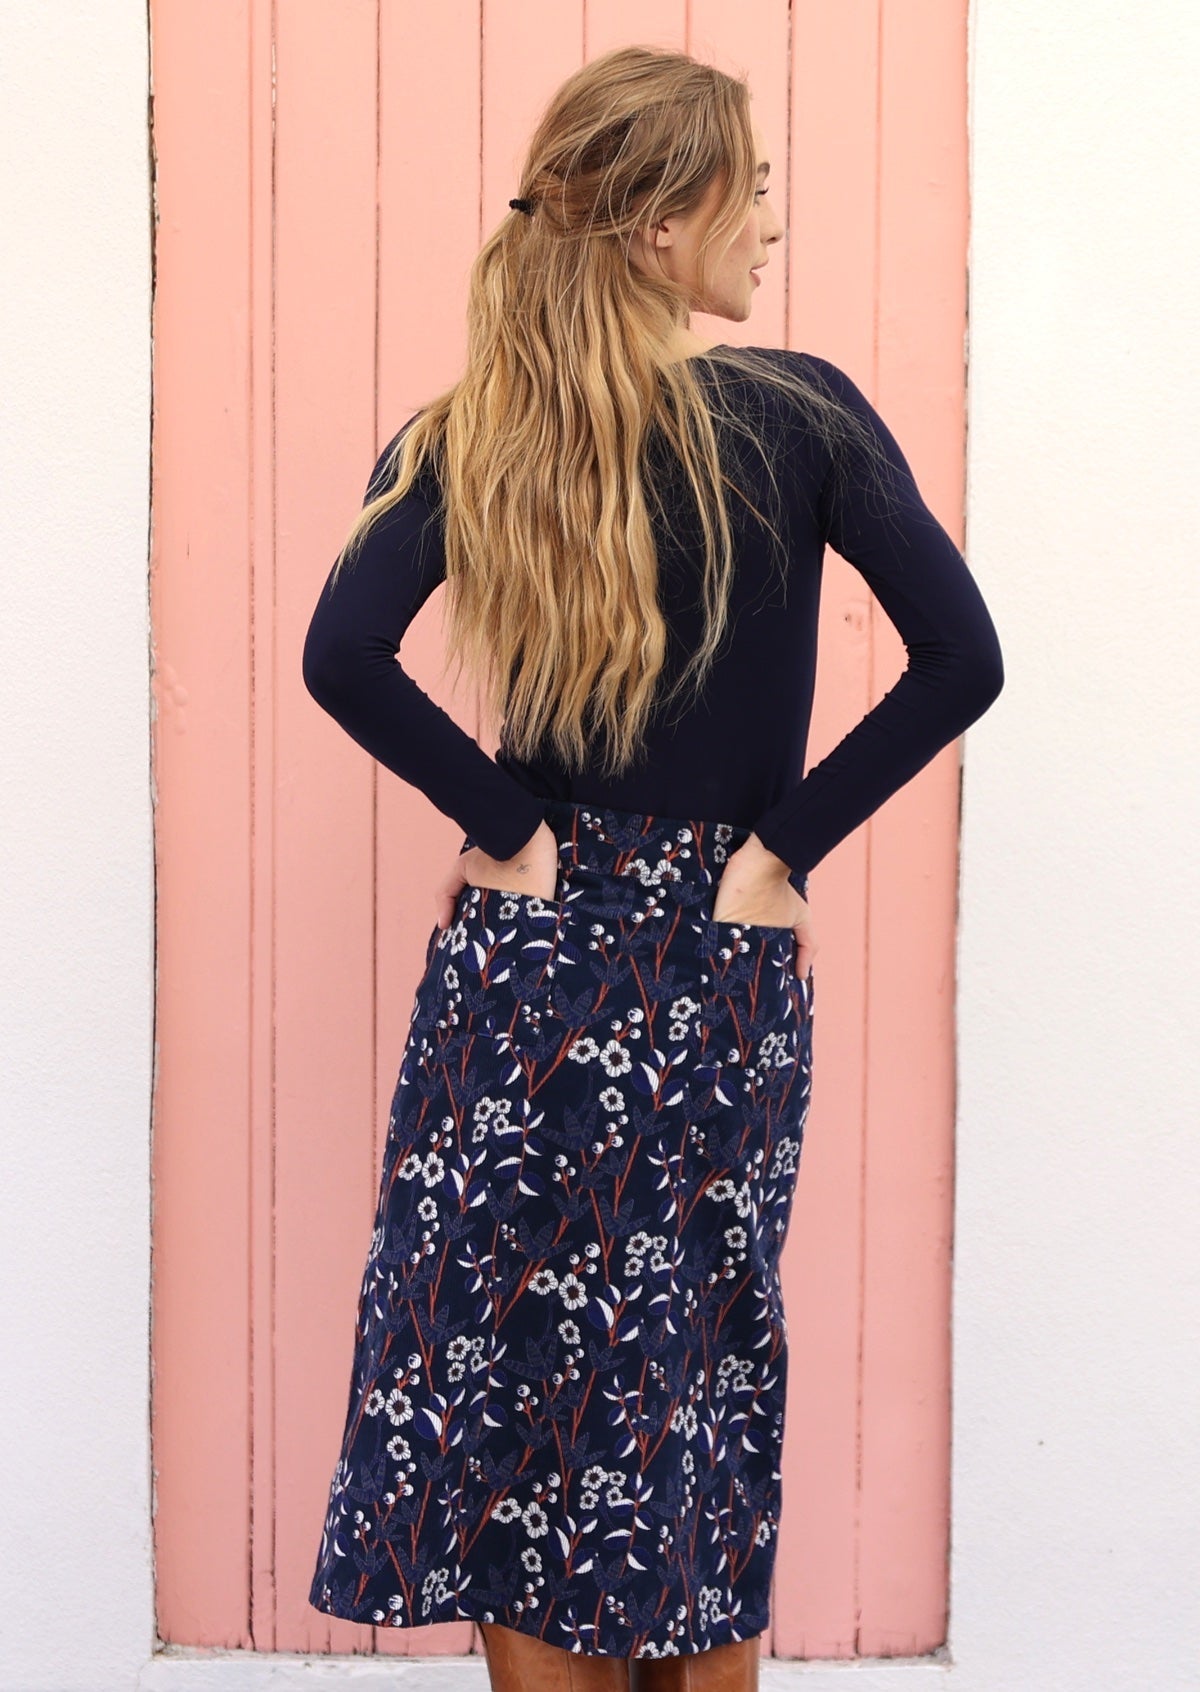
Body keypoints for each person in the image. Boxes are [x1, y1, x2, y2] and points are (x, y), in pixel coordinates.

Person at [300, 43, 1003, 1692]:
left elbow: (342, 652)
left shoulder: (473, 431)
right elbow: (959, 659)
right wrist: (784, 851)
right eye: (746, 187)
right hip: (711, 956)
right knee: (685, 1374)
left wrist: (511, 826)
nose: (768, 220)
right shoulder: (802, 413)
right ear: (656, 222)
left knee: (513, 1377)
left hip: (525, 967)